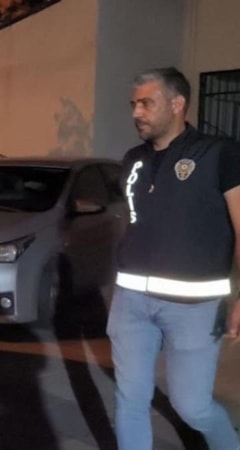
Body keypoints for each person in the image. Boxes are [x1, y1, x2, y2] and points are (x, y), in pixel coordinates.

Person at [108, 67, 240, 450]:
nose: (137, 113)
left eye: (147, 103)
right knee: (130, 399)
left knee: (193, 407)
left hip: (195, 306)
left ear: (177, 104)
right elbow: (133, 222)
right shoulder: (133, 158)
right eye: (134, 104)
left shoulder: (219, 153)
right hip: (131, 302)